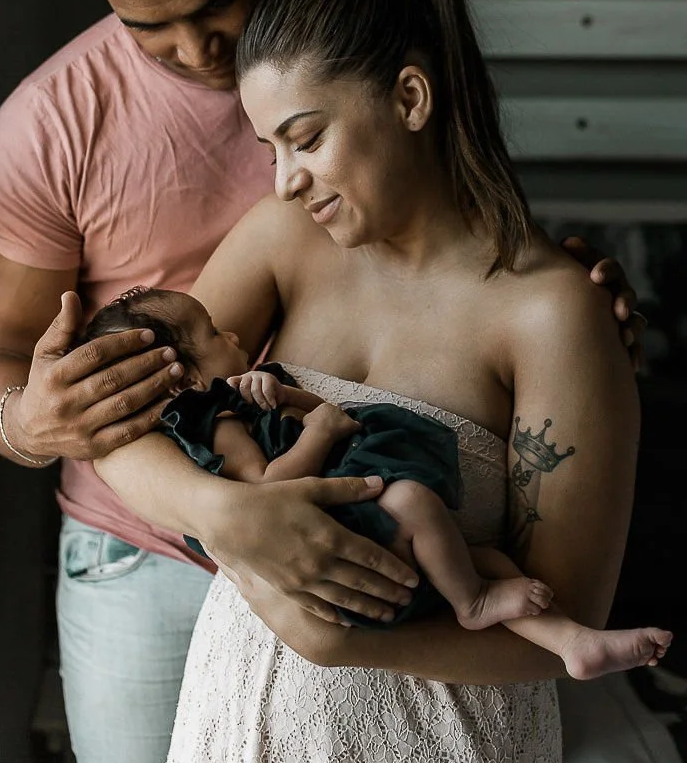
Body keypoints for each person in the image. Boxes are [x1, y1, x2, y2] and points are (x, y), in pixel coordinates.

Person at [0, 0, 643, 763]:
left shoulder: (546, 308)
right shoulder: (259, 223)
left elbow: (566, 605)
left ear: (409, 101)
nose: (198, 51)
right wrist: (206, 505)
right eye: (149, 28)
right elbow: (114, 390)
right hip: (205, 642)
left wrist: (337, 640)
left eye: (304, 138)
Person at [84, 283, 671, 679]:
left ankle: (568, 641)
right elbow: (263, 490)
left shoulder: (245, 395)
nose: (233, 337)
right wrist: (316, 430)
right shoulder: (218, 424)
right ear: (184, 381)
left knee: (483, 557)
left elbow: (325, 410)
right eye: (215, 334)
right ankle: (473, 603)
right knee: (417, 504)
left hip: (356, 528)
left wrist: (287, 395)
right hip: (334, 540)